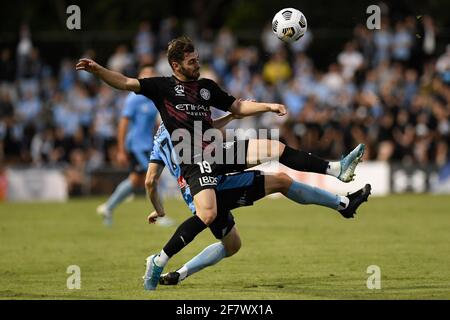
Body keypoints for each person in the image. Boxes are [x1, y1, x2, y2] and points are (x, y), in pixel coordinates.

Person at [75, 36, 365, 291]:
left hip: (216, 153)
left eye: (197, 59)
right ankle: (159, 261)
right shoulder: (161, 89)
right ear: (176, 65)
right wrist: (98, 69)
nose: (197, 64)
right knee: (210, 214)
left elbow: (236, 106)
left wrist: (267, 106)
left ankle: (335, 170)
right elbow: (125, 82)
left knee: (273, 149)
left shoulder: (206, 88)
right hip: (194, 161)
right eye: (191, 61)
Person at [144, 120, 371, 286]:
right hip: (213, 184)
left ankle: (178, 275)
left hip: (196, 194)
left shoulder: (160, 138)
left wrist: (158, 208)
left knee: (232, 245)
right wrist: (242, 112)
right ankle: (342, 202)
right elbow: (209, 132)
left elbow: (150, 181)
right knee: (281, 180)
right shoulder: (181, 121)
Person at [96, 65, 173, 227]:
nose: (150, 77)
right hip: (137, 146)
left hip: (147, 144)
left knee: (136, 181)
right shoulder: (134, 98)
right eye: (146, 75)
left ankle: (108, 207)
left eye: (152, 74)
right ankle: (161, 216)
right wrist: (121, 150)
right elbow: (123, 123)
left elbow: (153, 124)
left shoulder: (153, 98)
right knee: (153, 178)